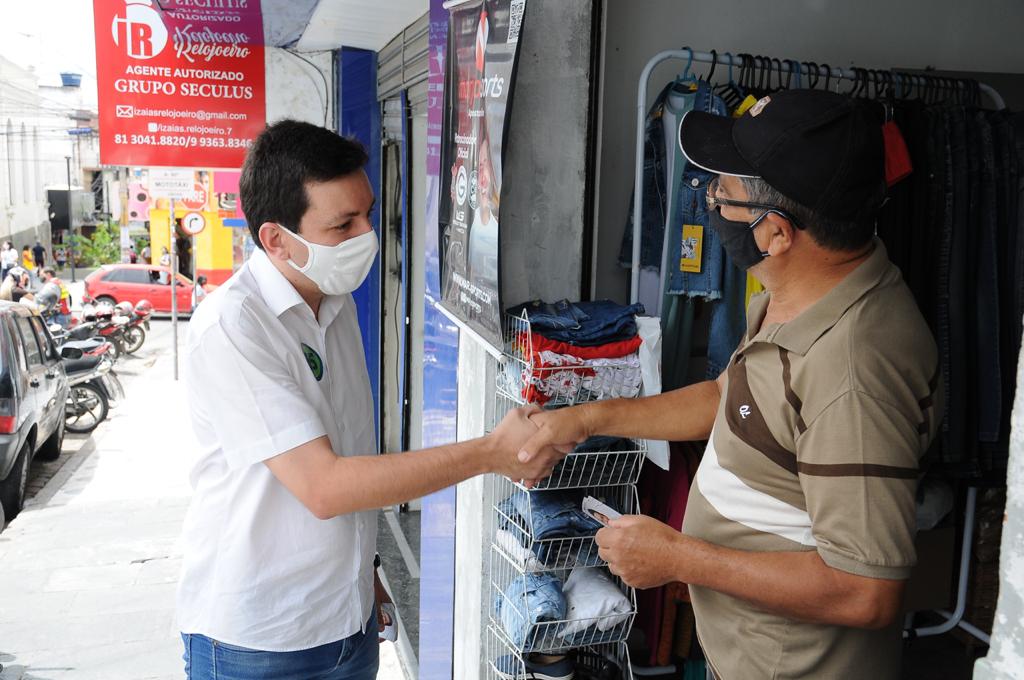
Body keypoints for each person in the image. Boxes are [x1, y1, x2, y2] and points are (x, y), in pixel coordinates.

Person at [518, 90, 941, 680]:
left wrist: (678, 557)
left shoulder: (854, 372)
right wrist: (586, 419)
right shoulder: (801, 294)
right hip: (746, 651)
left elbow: (865, 590)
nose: (710, 197)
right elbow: (729, 399)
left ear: (776, 233)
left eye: (726, 193)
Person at [177, 119, 565, 679]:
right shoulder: (235, 327)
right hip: (259, 642)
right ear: (275, 239)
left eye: (368, 214)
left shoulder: (333, 304)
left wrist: (366, 572)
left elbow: (353, 456)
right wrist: (489, 452)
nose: (366, 235)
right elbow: (325, 485)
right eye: (343, 225)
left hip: (347, 622)